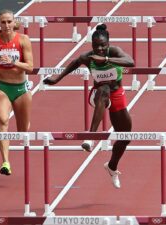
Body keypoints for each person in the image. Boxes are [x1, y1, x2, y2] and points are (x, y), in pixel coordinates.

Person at [43, 24, 134, 189]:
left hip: (118, 94)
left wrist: (106, 59)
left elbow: (130, 62)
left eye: (103, 46)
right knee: (104, 89)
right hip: (98, 95)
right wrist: (57, 79)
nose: (99, 49)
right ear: (91, 45)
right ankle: (90, 137)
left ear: (108, 44)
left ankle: (112, 167)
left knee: (125, 137)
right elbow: (74, 63)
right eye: (96, 46)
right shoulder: (88, 57)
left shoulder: (114, 52)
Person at [0, 9, 34, 175]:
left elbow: (30, 67)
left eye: (9, 22)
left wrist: (14, 61)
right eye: (3, 22)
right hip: (2, 86)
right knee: (3, 120)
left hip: (21, 88)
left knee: (22, 131)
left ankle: (23, 125)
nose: (6, 25)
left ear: (14, 23)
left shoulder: (24, 40)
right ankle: (5, 162)